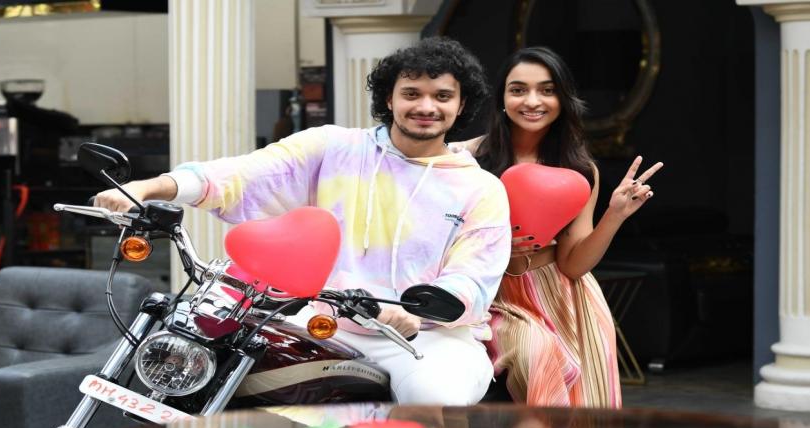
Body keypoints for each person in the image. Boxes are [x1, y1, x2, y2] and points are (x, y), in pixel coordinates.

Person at [94, 37, 511, 405]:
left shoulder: (479, 188)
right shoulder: (334, 147)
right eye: (411, 93)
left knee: (434, 400)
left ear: (461, 106)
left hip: (426, 337)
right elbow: (243, 174)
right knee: (221, 365)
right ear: (389, 98)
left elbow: (472, 277)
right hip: (322, 322)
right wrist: (149, 188)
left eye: (442, 96)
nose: (426, 107)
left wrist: (415, 313)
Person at [456, 47, 663, 408]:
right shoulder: (466, 159)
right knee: (537, 357)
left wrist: (615, 215)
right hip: (493, 296)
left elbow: (573, 264)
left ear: (563, 100)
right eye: (518, 90)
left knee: (587, 410)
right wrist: (495, 246)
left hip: (564, 297)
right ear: (502, 98)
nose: (532, 101)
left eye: (547, 90)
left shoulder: (579, 169)